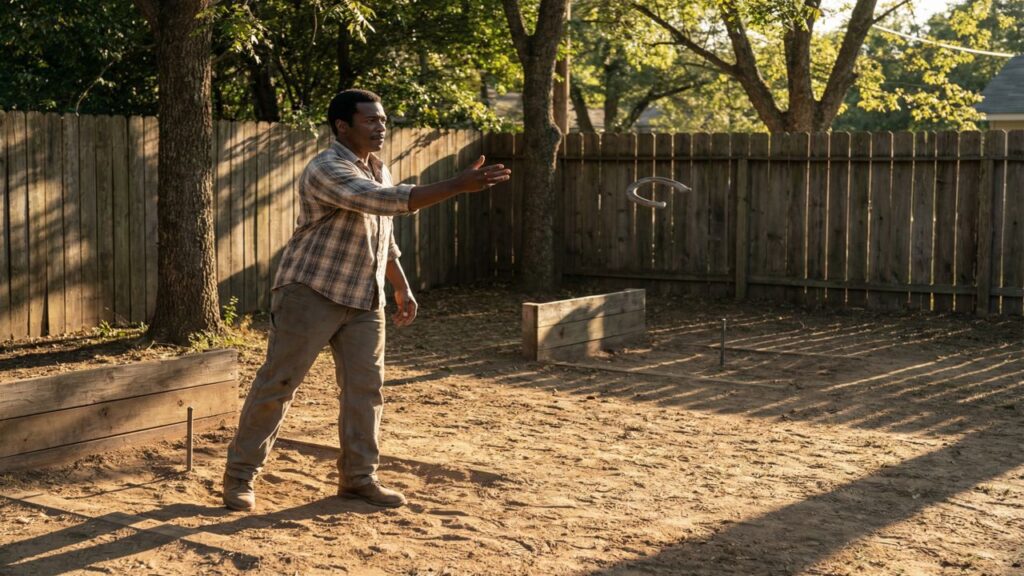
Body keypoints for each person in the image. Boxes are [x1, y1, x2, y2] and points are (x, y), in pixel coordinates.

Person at [222, 89, 511, 511]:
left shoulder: (380, 168)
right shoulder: (327, 167)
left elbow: (382, 233)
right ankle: (240, 477)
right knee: (278, 385)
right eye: (371, 120)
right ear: (343, 126)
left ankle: (358, 479)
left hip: (365, 296)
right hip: (310, 292)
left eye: (383, 120)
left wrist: (400, 283)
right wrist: (456, 185)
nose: (381, 127)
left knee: (366, 390)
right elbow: (383, 202)